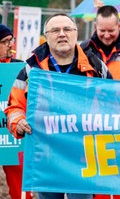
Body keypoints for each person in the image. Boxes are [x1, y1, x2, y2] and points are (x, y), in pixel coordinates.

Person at [4, 13, 111, 199]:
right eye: (55, 30)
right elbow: (15, 107)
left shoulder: (96, 67)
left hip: (83, 155)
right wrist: (19, 122)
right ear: (46, 36)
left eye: (67, 29)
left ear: (76, 33)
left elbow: (113, 104)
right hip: (46, 156)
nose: (62, 34)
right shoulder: (31, 70)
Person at [0, 24, 31, 199]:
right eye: (5, 42)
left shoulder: (21, 67)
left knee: (18, 182)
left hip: (12, 138)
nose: (10, 45)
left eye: (11, 40)